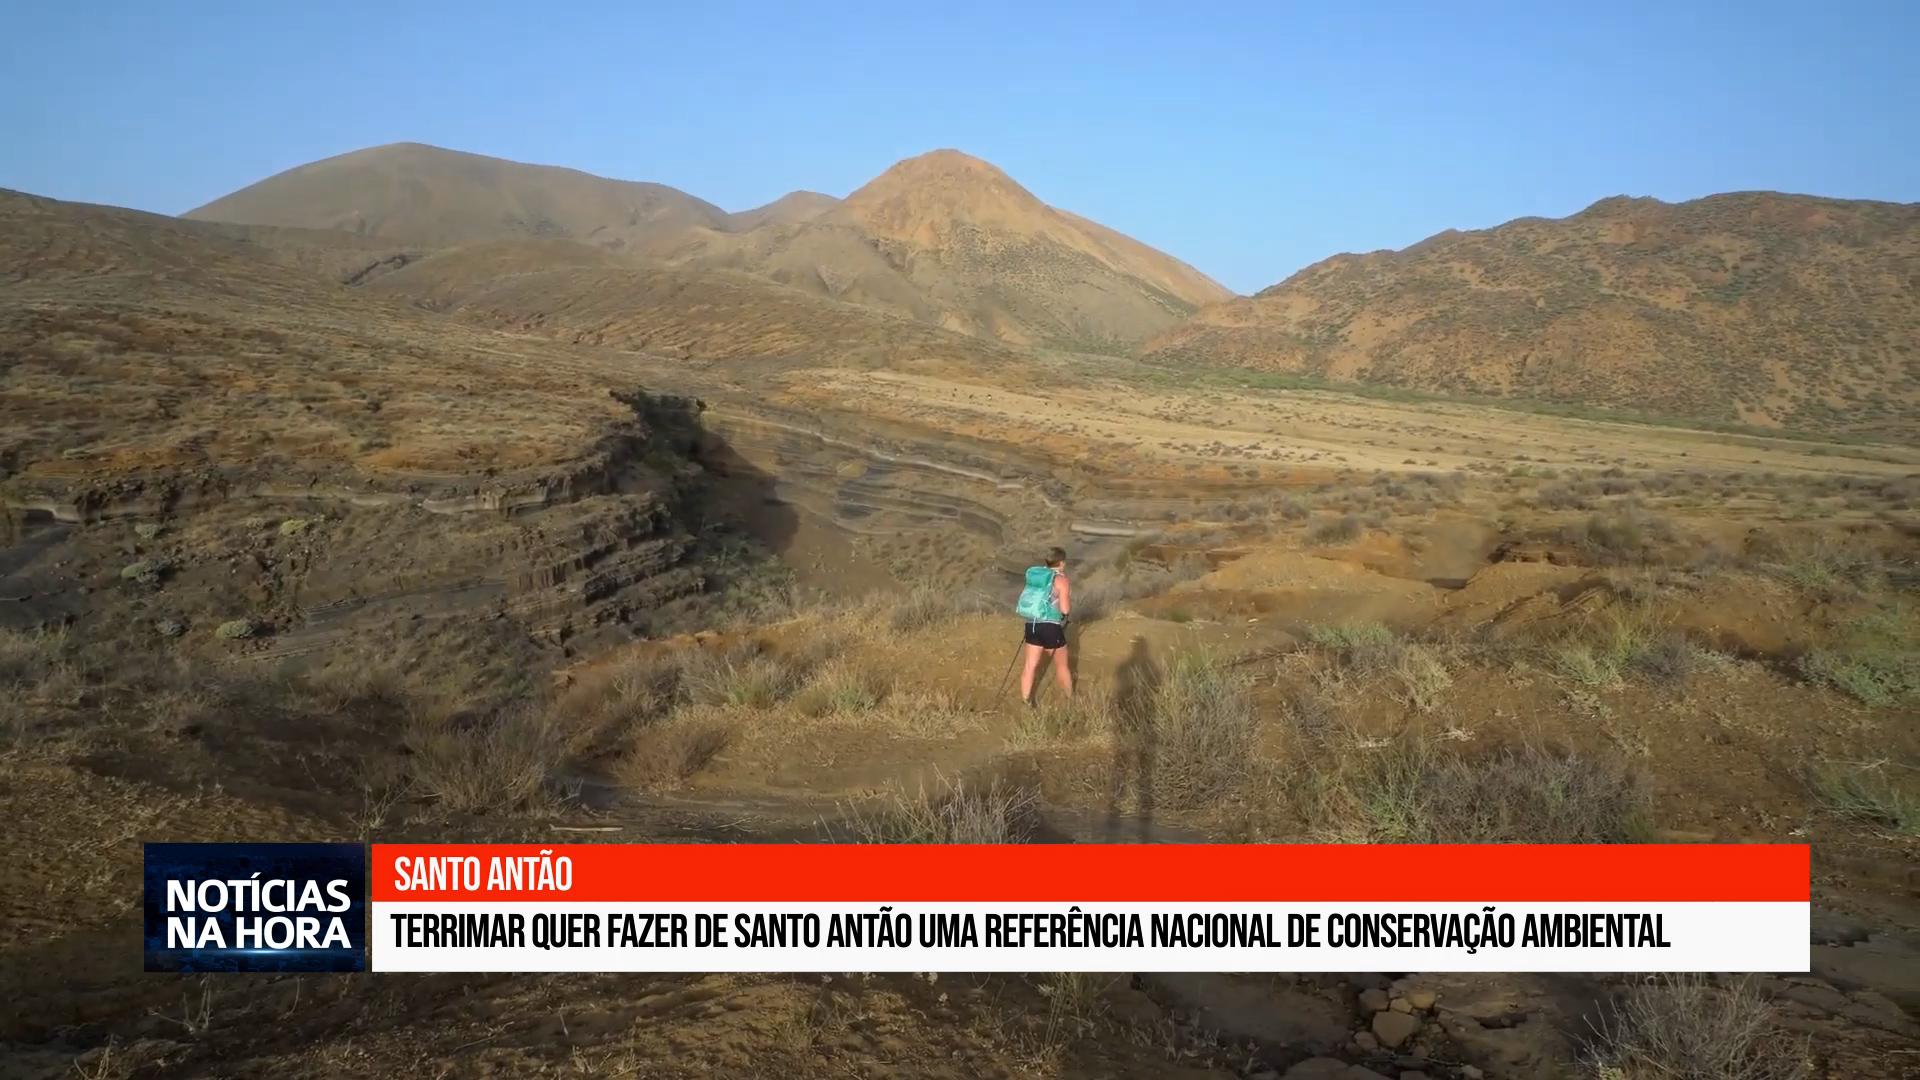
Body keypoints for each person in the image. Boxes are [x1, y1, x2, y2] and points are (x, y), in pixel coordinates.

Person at [1016, 546, 1073, 706]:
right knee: (1062, 666)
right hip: (1051, 627)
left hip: (1032, 624)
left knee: (1029, 666)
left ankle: (1026, 702)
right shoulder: (1061, 580)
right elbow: (1065, 609)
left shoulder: (1037, 576)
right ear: (1061, 563)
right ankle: (1069, 702)